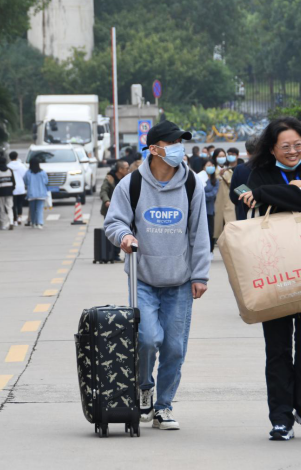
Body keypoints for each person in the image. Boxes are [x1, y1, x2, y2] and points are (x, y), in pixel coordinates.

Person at [103, 120, 211, 431]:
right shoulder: (131, 184)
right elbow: (114, 223)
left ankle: (163, 407)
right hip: (143, 279)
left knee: (175, 348)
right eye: (172, 142)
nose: (179, 148)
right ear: (154, 148)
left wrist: (200, 275)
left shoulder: (192, 185)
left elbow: (199, 233)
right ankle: (144, 387)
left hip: (179, 281)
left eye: (181, 142)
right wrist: (124, 236)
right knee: (148, 339)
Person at [237, 117, 301, 442]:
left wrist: (269, 195)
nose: (294, 151)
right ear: (272, 148)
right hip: (273, 272)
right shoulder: (258, 174)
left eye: (298, 145)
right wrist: (289, 192)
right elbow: (249, 214)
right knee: (278, 348)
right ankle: (280, 417)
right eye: (286, 146)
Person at [100, 160, 129, 261]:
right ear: (120, 169)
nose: (128, 170)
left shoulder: (128, 179)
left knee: (123, 232)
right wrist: (107, 201)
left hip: (124, 210)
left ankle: (117, 254)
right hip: (110, 210)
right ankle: (111, 255)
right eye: (126, 168)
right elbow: (103, 191)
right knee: (113, 232)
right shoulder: (110, 178)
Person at [212, 148, 236, 245]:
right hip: (216, 200)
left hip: (228, 200)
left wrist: (224, 175)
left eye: (223, 156)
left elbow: (232, 184)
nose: (221, 158)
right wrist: (218, 175)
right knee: (217, 222)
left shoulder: (229, 170)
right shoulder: (212, 170)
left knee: (230, 222)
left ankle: (229, 242)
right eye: (219, 156)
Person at [229, 137, 257, 221]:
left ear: (247, 152)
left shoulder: (239, 169)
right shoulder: (269, 168)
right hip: (266, 217)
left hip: (244, 214)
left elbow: (233, 196)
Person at [23, 158, 49, 229]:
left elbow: (25, 181)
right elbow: (46, 181)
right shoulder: (42, 172)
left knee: (32, 209)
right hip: (41, 193)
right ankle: (40, 223)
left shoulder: (28, 172)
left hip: (31, 194)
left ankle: (33, 223)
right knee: (39, 209)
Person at [0, 157, 16, 230]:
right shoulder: (10, 170)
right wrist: (11, 189)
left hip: (0, 193)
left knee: (2, 208)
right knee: (9, 207)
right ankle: (11, 222)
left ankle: (3, 225)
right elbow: (14, 183)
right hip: (9, 192)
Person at [7, 151, 28, 225]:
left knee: (13, 205)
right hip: (21, 187)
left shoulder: (8, 166)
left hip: (12, 188)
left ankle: (14, 220)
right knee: (20, 204)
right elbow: (25, 176)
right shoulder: (22, 166)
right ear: (17, 157)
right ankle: (19, 217)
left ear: (9, 157)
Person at [202, 160, 219, 252]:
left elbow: (213, 193)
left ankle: (210, 250)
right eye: (208, 165)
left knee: (210, 231)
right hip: (201, 209)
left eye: (212, 165)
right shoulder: (199, 178)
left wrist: (203, 195)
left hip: (210, 209)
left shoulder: (215, 181)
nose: (210, 167)